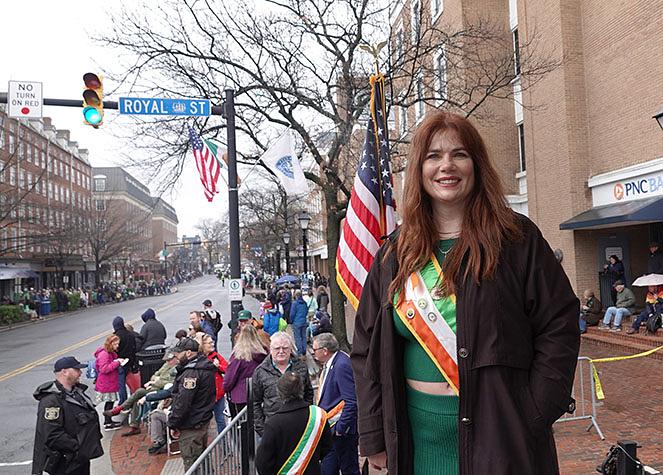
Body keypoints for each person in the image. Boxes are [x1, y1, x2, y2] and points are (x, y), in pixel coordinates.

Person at [351, 111, 580, 474]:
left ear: (476, 164)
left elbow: (559, 325)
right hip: (414, 445)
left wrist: (535, 412)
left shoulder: (516, 240)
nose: (447, 166)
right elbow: (365, 350)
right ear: (419, 169)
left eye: (459, 154)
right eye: (433, 155)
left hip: (502, 441)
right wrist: (374, 437)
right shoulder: (395, 254)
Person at [32, 356, 104, 475]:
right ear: (64, 372)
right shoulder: (51, 401)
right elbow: (52, 435)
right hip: (65, 463)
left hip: (79, 460)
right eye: (76, 370)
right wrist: (78, 447)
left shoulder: (77, 394)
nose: (80, 373)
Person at [256, 372, 333, 475]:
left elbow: (263, 462)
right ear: (301, 389)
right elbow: (326, 447)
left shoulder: (273, 423)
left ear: (279, 392)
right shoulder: (318, 415)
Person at [312, 333, 359, 475]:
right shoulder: (334, 362)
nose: (313, 353)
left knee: (347, 468)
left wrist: (341, 428)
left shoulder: (341, 365)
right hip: (332, 428)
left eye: (315, 350)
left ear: (325, 351)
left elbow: (351, 400)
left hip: (340, 431)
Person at [168, 337, 217, 472]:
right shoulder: (204, 366)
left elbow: (183, 402)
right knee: (203, 461)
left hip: (191, 426)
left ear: (188, 353)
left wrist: (173, 423)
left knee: (192, 464)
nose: (176, 356)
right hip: (201, 421)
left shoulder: (191, 373)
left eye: (178, 353)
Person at [103, 350, 179, 436]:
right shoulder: (166, 365)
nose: (167, 362)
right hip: (153, 388)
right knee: (137, 397)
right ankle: (133, 425)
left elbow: (170, 382)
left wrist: (155, 382)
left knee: (139, 392)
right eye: (166, 360)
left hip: (161, 391)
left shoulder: (176, 369)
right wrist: (155, 380)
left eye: (169, 360)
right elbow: (155, 374)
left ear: (175, 359)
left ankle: (121, 409)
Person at [252, 331, 314, 437]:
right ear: (270, 350)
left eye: (285, 348)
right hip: (272, 429)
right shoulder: (260, 371)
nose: (281, 351)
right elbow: (255, 402)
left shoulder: (301, 367)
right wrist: (262, 429)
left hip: (299, 426)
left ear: (290, 349)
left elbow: (309, 393)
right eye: (277, 348)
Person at [224, 325, 268, 418]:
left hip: (240, 396)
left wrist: (226, 388)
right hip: (260, 394)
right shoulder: (264, 353)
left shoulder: (239, 356)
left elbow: (230, 378)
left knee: (242, 426)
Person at [195, 332, 229, 434]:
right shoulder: (198, 359)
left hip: (218, 395)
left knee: (221, 420)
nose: (213, 344)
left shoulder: (216, 356)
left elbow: (228, 368)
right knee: (204, 422)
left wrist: (218, 366)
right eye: (209, 343)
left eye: (212, 342)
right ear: (203, 345)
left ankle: (224, 445)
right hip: (205, 396)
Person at [94, 335, 127, 431]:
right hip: (107, 382)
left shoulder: (109, 353)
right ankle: (107, 422)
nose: (117, 346)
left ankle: (108, 421)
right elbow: (104, 368)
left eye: (118, 344)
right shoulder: (104, 354)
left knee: (110, 402)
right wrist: (117, 362)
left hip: (109, 381)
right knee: (109, 402)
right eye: (115, 344)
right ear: (110, 344)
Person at [112, 316, 137, 405]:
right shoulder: (130, 334)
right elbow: (134, 348)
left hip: (120, 363)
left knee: (121, 383)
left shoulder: (115, 336)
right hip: (129, 362)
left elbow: (113, 350)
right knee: (130, 381)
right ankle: (133, 398)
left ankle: (123, 401)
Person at [291, 290, 309, 356]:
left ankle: (299, 351)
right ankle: (304, 350)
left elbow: (292, 314)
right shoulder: (304, 303)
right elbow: (306, 311)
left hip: (296, 322)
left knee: (297, 337)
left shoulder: (295, 303)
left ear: (296, 296)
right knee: (303, 336)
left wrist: (291, 321)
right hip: (304, 322)